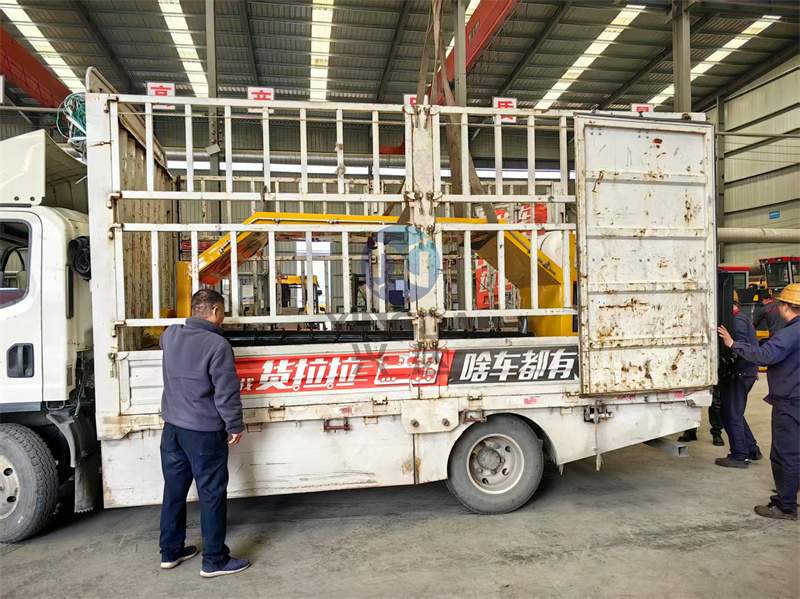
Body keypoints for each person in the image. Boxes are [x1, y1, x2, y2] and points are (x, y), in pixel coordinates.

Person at [158, 289, 250, 576]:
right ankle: (214, 560)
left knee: (174, 491)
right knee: (211, 495)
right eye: (222, 313)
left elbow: (165, 344)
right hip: (203, 433)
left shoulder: (170, 335)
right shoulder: (217, 345)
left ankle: (170, 552)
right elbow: (226, 392)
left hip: (172, 430)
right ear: (216, 311)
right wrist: (234, 424)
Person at [718, 283, 800, 521]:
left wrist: (733, 344)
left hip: (791, 401)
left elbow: (766, 355)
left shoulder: (791, 332)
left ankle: (785, 506)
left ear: (785, 306)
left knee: (785, 454)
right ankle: (790, 489)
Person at [716, 291, 761, 468]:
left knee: (731, 414)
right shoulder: (738, 318)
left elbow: (742, 345)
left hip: (741, 372)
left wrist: (731, 351)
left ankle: (740, 456)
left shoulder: (737, 319)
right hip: (744, 371)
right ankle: (751, 450)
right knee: (735, 412)